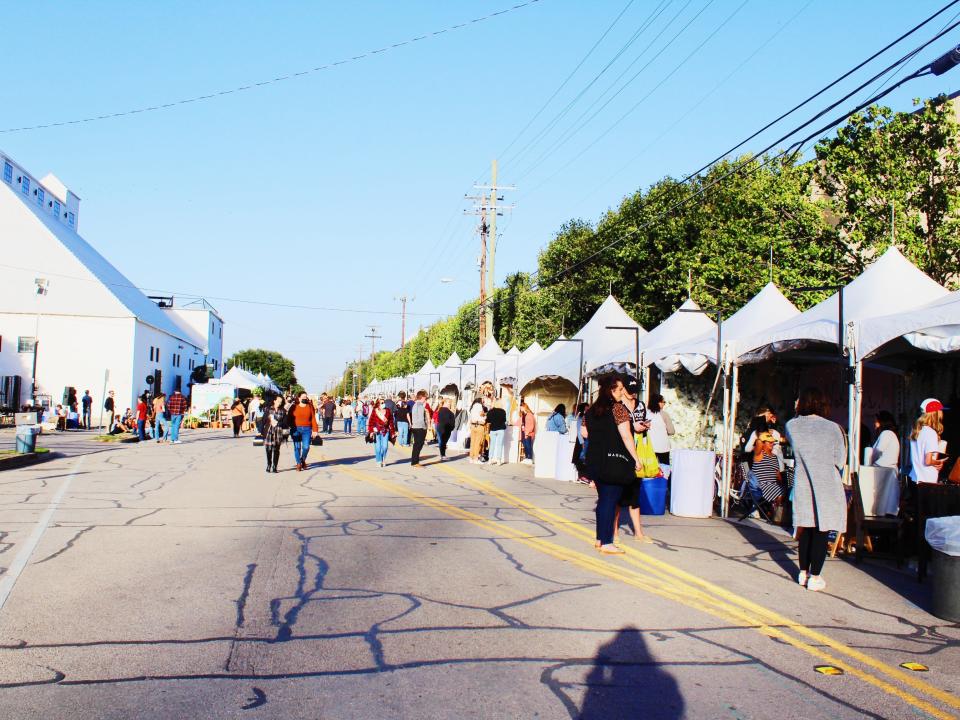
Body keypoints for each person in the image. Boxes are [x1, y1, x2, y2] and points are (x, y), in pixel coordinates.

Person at [786, 387, 847, 592]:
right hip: (827, 484)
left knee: (806, 530)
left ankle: (802, 573)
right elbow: (840, 460)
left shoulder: (791, 426)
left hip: (803, 482)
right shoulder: (834, 428)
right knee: (822, 532)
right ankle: (816, 577)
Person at [585, 375, 642, 555]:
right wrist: (636, 458)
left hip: (595, 460)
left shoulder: (592, 410)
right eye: (618, 390)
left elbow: (584, 433)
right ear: (611, 390)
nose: (621, 392)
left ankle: (600, 538)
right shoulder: (618, 409)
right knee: (610, 500)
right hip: (613, 461)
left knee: (603, 500)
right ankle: (607, 542)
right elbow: (626, 435)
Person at [909, 398, 947, 484]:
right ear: (936, 413)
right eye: (940, 411)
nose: (942, 414)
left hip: (914, 477)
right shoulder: (931, 433)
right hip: (927, 479)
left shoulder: (915, 430)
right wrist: (939, 462)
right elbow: (928, 461)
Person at [749, 430, 785, 505]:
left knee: (786, 490)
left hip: (772, 485)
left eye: (773, 442)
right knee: (780, 492)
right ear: (763, 443)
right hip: (760, 485)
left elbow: (777, 474)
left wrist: (782, 483)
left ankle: (774, 512)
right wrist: (762, 436)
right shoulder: (759, 454)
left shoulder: (774, 457)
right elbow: (758, 443)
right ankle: (775, 513)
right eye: (770, 442)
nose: (772, 444)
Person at [290, 392, 318, 471]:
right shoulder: (294, 406)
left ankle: (303, 459)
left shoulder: (310, 406)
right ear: (299, 398)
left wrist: (315, 430)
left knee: (306, 447)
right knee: (297, 447)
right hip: (296, 429)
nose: (305, 398)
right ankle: (298, 463)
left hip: (307, 429)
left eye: (306, 397)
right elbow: (289, 418)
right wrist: (289, 427)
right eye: (303, 397)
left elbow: (313, 418)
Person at [647, 393, 676, 466]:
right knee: (664, 469)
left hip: (649, 446)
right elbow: (671, 431)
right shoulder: (664, 414)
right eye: (663, 402)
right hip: (663, 447)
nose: (664, 404)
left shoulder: (646, 414)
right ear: (658, 403)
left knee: (650, 469)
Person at [367, 400, 395, 467]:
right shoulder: (375, 411)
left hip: (385, 431)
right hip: (377, 431)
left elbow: (391, 421)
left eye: (384, 402)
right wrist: (371, 430)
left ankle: (383, 459)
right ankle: (378, 461)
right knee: (378, 447)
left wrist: (393, 432)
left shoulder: (388, 411)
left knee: (385, 447)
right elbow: (371, 422)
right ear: (378, 404)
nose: (384, 404)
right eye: (382, 403)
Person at [263, 395, 287, 473]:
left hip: (278, 431)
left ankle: (274, 466)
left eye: (281, 402)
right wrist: (260, 431)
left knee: (276, 449)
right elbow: (263, 420)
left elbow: (285, 422)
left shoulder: (283, 411)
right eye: (278, 401)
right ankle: (269, 464)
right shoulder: (268, 409)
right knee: (268, 449)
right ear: (274, 401)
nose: (279, 403)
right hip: (269, 431)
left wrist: (279, 423)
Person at [409, 390, 430, 466]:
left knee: (416, 445)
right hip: (419, 427)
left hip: (415, 426)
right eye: (425, 397)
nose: (426, 399)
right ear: (422, 397)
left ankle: (415, 461)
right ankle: (415, 462)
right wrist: (425, 427)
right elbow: (421, 418)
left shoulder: (416, 404)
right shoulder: (420, 405)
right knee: (418, 445)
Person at [486, 400, 507, 465]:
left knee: (492, 444)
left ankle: (490, 459)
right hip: (501, 429)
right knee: (499, 445)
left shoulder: (490, 411)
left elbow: (488, 420)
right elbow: (504, 420)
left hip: (493, 429)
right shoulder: (503, 411)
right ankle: (498, 460)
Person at [468, 398, 487, 464]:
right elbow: (481, 413)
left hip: (473, 425)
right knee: (478, 443)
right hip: (479, 425)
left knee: (472, 443)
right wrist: (485, 415)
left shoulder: (473, 407)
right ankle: (476, 458)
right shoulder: (479, 405)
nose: (483, 400)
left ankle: (471, 458)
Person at [520, 400, 536, 464]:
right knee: (526, 445)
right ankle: (527, 458)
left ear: (524, 407)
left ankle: (529, 458)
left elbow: (531, 425)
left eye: (521, 407)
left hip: (528, 433)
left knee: (528, 446)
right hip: (526, 432)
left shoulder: (529, 415)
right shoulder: (526, 415)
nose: (520, 408)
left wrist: (527, 433)